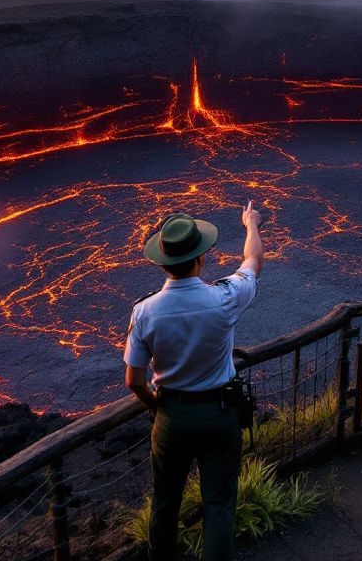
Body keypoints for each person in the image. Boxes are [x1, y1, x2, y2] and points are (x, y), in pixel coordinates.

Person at [124, 201, 265, 561]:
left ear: (162, 262)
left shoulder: (144, 311)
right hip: (219, 413)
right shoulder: (225, 297)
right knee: (218, 506)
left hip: (172, 417)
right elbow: (253, 261)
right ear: (201, 257)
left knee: (165, 503)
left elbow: (134, 380)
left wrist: (158, 407)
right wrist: (250, 224)